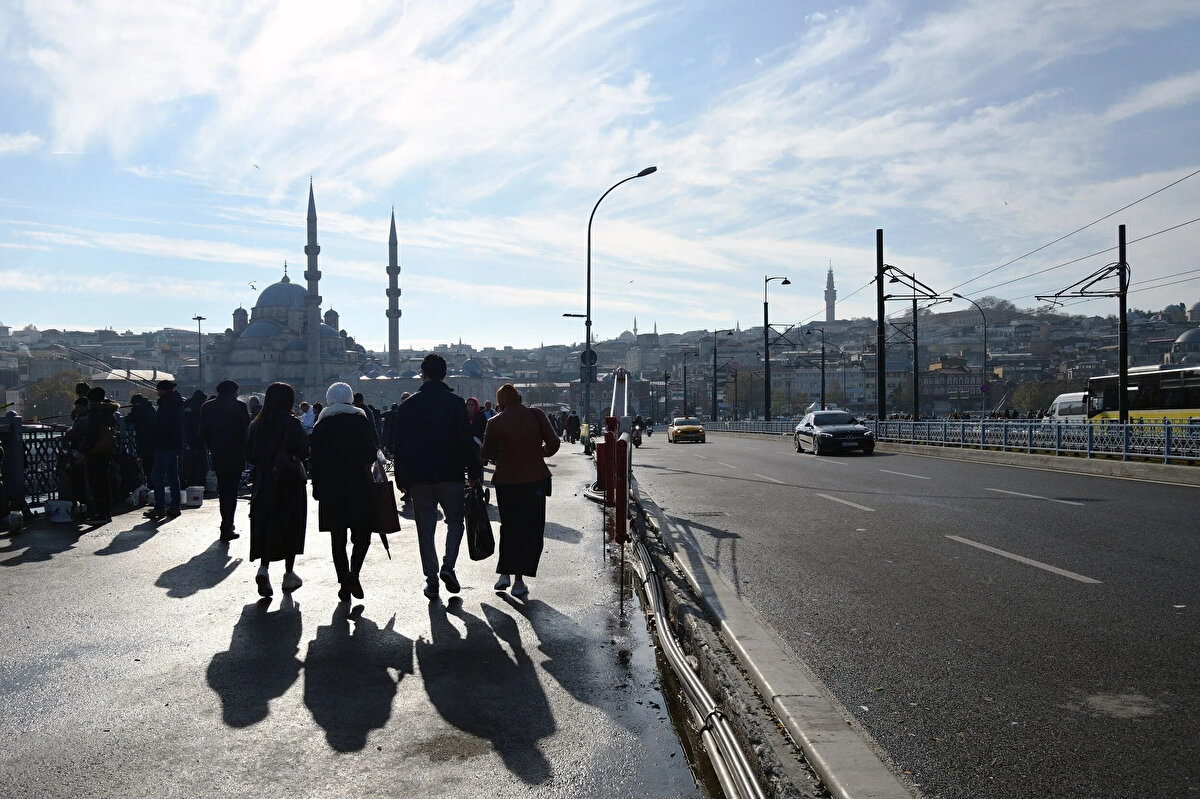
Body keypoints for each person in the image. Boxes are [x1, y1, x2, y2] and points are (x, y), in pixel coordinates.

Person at [391, 354, 482, 600]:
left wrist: (402, 479)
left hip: (420, 478)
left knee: (426, 528)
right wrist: (474, 472)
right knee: (455, 521)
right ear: (444, 375)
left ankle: (432, 581)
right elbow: (466, 441)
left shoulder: (409, 406)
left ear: (423, 373)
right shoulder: (455, 403)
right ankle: (448, 566)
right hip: (450, 475)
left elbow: (399, 445)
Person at [480, 384, 559, 597]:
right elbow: (554, 443)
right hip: (535, 480)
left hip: (507, 481)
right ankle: (519, 581)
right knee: (531, 530)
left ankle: (504, 573)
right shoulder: (536, 415)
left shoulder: (494, 422)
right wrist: (539, 453)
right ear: (519, 397)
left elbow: (485, 452)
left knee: (510, 527)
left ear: (501, 402)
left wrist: (502, 456)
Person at [309, 382, 378, 602]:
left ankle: (343, 581)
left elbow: (315, 462)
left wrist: (317, 489)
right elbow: (370, 455)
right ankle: (354, 574)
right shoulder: (361, 421)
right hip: (359, 486)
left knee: (337, 538)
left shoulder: (322, 425)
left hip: (331, 488)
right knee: (362, 535)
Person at [245, 382, 309, 597]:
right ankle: (289, 574)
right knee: (291, 523)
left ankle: (264, 567)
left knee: (266, 522)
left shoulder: (257, 424)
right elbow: (304, 451)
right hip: (289, 480)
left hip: (264, 481)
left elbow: (250, 455)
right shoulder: (292, 423)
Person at [200, 380, 250, 541]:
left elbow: (203, 432)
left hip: (218, 454)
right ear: (234, 392)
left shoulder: (207, 407)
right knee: (232, 491)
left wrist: (212, 447)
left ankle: (226, 523)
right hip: (236, 454)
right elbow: (247, 431)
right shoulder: (240, 407)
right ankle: (228, 525)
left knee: (223, 490)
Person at [80, 386, 121, 524]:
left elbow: (92, 434)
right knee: (104, 482)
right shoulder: (110, 411)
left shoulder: (96, 412)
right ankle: (106, 513)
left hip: (95, 452)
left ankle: (100, 514)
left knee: (96, 483)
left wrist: (83, 450)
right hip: (106, 450)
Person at [145, 379, 184, 520]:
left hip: (164, 444)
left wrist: (155, 439)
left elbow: (163, 426)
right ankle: (175, 506)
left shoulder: (167, 404)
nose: (157, 393)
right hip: (173, 444)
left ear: (163, 391)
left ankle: (159, 507)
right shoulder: (176, 401)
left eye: (159, 390)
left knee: (157, 475)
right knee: (173, 476)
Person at [126, 393, 157, 485]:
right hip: (154, 442)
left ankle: (150, 485)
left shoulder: (138, 409)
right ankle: (154, 485)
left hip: (144, 441)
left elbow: (129, 419)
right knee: (153, 465)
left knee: (147, 465)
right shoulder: (151, 407)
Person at [182, 388, 208, 488]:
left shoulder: (186, 406)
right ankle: (201, 483)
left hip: (188, 439)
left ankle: (190, 482)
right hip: (199, 439)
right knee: (201, 463)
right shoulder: (200, 408)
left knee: (190, 463)